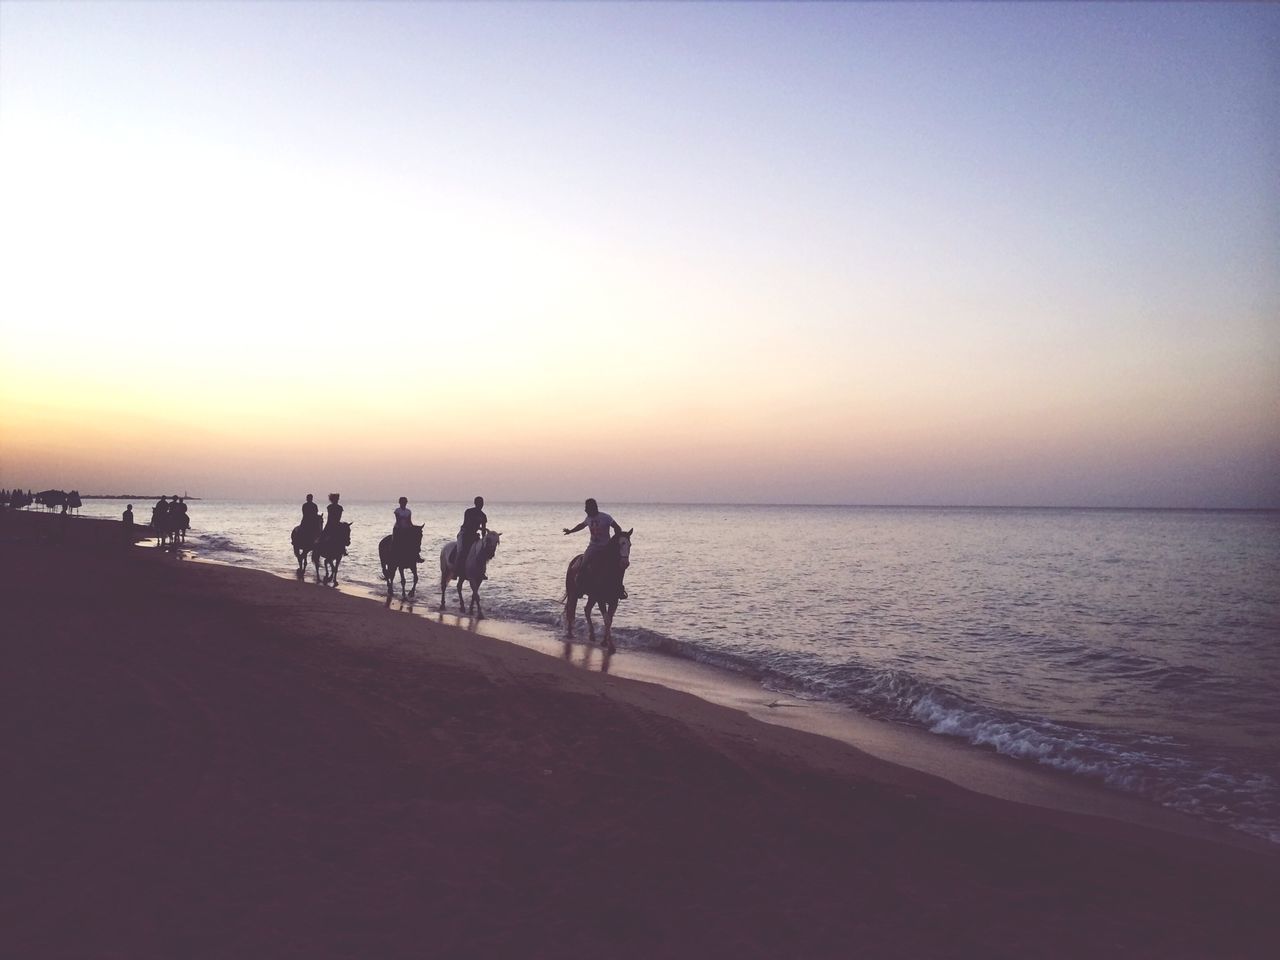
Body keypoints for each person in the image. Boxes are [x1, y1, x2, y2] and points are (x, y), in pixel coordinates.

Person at [563, 498, 626, 599]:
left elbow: (617, 527)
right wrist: (571, 531)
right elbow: (581, 526)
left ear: (593, 508)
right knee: (583, 564)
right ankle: (580, 587)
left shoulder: (606, 517)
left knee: (619, 565)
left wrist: (616, 539)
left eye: (587, 508)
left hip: (606, 547)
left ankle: (619, 588)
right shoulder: (588, 518)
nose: (585, 510)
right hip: (593, 547)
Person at [453, 497, 488, 579]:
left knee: (481, 552)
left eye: (482, 503)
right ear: (475, 503)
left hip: (474, 535)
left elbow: (483, 529)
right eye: (479, 503)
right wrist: (476, 529)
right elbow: (467, 524)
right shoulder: (469, 512)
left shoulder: (483, 516)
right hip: (465, 533)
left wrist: (483, 540)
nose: (481, 505)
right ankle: (456, 571)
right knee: (461, 550)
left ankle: (481, 572)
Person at [393, 496, 424, 563]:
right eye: (402, 502)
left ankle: (416, 555)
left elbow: (409, 521)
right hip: (398, 528)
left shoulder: (408, 511)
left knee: (414, 540)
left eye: (405, 502)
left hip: (406, 528)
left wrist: (414, 527)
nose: (404, 503)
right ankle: (394, 553)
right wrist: (402, 528)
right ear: (400, 503)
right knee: (396, 541)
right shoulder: (397, 511)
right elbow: (398, 520)